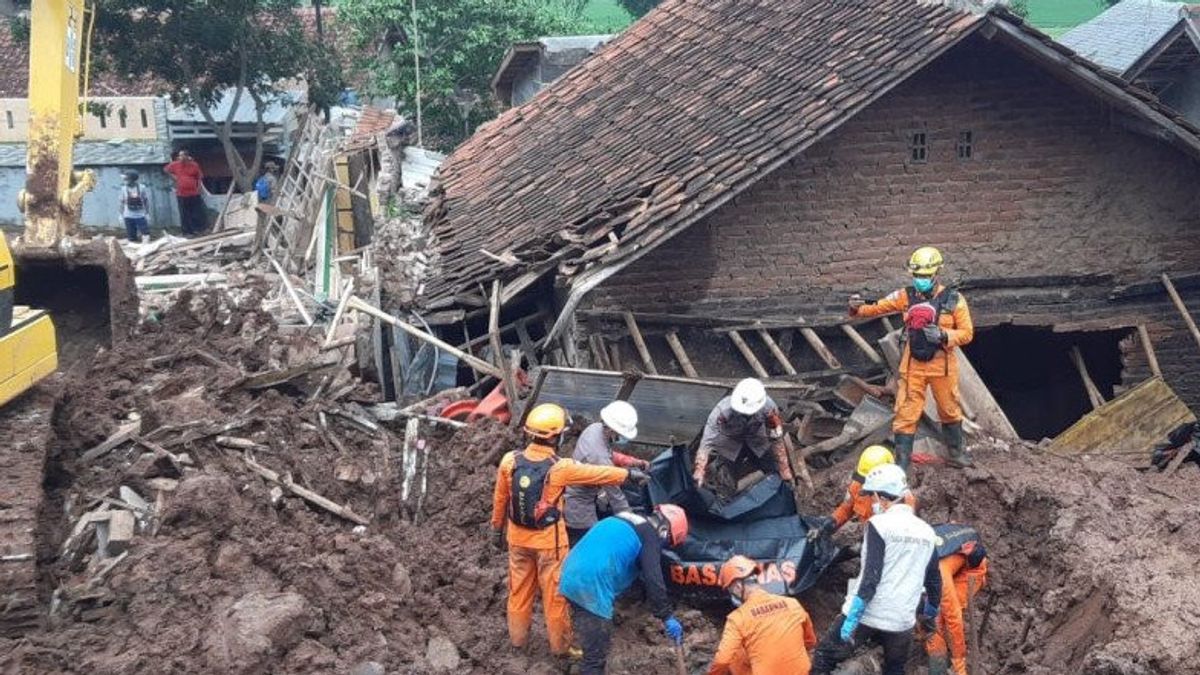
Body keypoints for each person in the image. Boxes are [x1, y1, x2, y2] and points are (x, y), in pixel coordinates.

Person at [490, 403, 649, 657]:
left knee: (518, 592)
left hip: (517, 540)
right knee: (555, 598)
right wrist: (628, 475)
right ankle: (561, 649)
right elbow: (596, 474)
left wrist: (496, 530)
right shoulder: (560, 467)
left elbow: (500, 500)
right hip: (549, 544)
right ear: (555, 436)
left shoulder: (509, 461)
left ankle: (518, 643)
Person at [848, 246, 975, 469]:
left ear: (937, 274)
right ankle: (903, 464)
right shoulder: (905, 296)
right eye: (917, 276)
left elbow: (967, 333)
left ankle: (956, 454)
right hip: (913, 363)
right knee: (907, 412)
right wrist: (857, 309)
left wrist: (944, 335)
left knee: (949, 408)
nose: (920, 280)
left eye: (925, 276)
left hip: (942, 364)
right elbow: (878, 307)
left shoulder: (954, 300)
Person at [811, 464, 941, 675]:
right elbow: (934, 579)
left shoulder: (879, 525)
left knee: (824, 658)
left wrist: (852, 616)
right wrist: (930, 613)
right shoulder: (927, 531)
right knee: (895, 668)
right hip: (902, 621)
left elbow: (871, 577)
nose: (872, 502)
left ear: (882, 496)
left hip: (870, 614)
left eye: (872, 497)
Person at [558, 503, 689, 674]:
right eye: (668, 542)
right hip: (591, 585)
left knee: (592, 635)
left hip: (569, 573)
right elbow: (653, 579)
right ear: (665, 530)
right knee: (594, 658)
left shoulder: (624, 518)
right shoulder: (649, 535)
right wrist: (666, 616)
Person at [707, 554, 818, 675]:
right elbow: (810, 641)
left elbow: (722, 661)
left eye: (731, 590)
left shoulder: (738, 619)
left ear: (738, 586)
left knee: (736, 655)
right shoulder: (792, 603)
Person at [564, 400, 651, 546]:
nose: (621, 438)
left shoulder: (595, 428)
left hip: (580, 494)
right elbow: (615, 495)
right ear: (611, 429)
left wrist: (634, 462)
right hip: (579, 508)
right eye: (620, 434)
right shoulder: (598, 456)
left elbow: (610, 454)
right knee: (589, 546)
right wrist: (632, 523)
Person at [693, 378, 793, 490]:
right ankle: (728, 499)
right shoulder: (722, 411)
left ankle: (778, 490)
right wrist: (699, 470)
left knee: (772, 468)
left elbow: (776, 438)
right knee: (727, 479)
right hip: (730, 443)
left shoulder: (769, 409)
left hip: (757, 439)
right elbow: (707, 441)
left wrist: (784, 469)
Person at [808, 445, 916, 541]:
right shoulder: (857, 486)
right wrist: (830, 523)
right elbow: (846, 508)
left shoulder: (903, 499)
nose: (865, 485)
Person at [925, 524, 989, 675]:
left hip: (970, 567)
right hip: (951, 559)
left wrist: (959, 665)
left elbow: (954, 617)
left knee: (948, 612)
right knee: (932, 621)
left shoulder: (938, 573)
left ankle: (953, 662)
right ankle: (939, 664)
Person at [164, 149, 206, 236]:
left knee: (195, 213)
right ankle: (186, 232)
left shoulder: (194, 165)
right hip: (181, 194)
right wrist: (174, 177)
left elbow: (199, 177)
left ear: (187, 156)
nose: (180, 157)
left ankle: (196, 230)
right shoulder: (175, 164)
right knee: (184, 214)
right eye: (180, 155)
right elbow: (166, 170)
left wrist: (199, 188)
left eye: (182, 155)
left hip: (194, 193)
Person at [119, 171, 151, 243]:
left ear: (132, 179)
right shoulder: (123, 189)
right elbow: (122, 202)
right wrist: (121, 214)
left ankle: (145, 247)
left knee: (145, 233)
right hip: (128, 215)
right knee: (131, 236)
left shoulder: (142, 187)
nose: (125, 181)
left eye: (126, 179)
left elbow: (146, 201)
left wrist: (147, 213)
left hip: (140, 215)